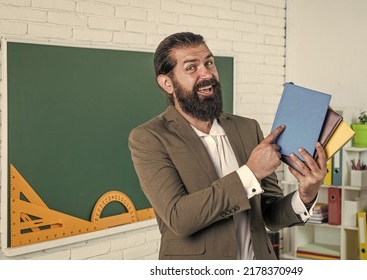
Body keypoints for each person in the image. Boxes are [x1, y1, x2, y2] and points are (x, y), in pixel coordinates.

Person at [128, 32, 327, 260]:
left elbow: (269, 215)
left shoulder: (247, 128)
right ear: (167, 83)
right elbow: (179, 218)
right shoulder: (149, 138)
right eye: (191, 68)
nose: (206, 73)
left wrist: (306, 194)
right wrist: (250, 173)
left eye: (209, 63)